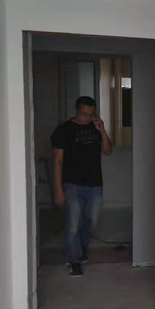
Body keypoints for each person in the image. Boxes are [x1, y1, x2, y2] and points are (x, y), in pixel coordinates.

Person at [51, 96, 113, 277]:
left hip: (95, 184)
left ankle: (81, 249)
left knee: (90, 221)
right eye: (83, 114)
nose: (87, 118)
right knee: (73, 225)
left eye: (90, 114)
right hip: (72, 184)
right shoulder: (63, 130)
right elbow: (58, 161)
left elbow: (108, 150)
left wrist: (102, 130)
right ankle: (74, 261)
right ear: (76, 110)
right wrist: (58, 188)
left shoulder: (95, 128)